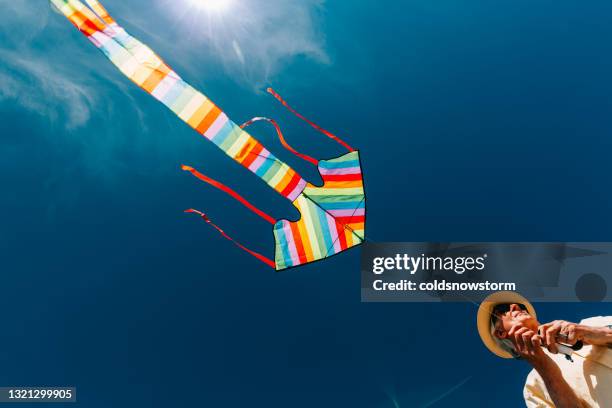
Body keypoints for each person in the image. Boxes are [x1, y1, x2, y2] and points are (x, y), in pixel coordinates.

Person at [477, 291, 612, 407]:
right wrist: (545, 368)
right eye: (504, 309)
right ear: (500, 332)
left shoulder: (590, 323)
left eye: (520, 306)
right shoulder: (533, 388)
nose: (515, 306)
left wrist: (596, 333)